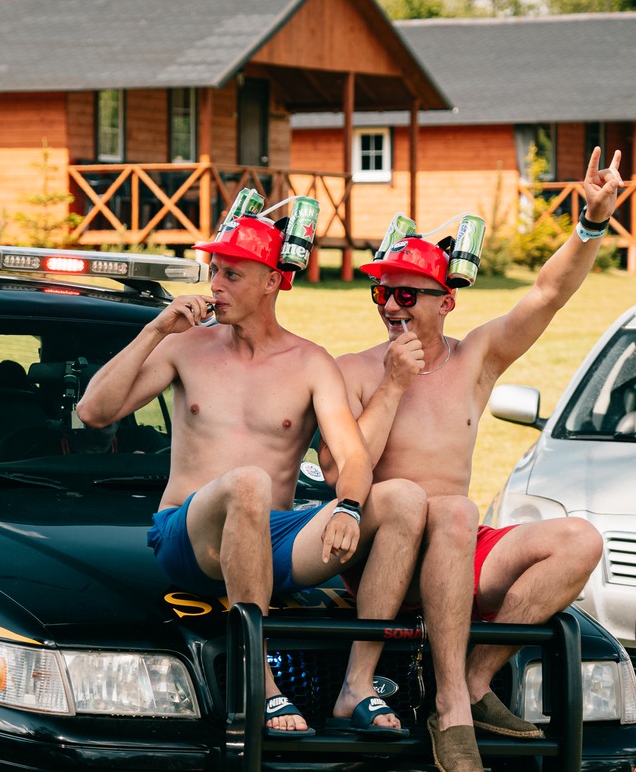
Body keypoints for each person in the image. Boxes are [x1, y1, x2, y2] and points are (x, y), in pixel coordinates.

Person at [328, 149, 624, 772]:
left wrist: (591, 224)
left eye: (407, 294)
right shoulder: (354, 369)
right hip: (384, 551)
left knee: (579, 540)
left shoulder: (475, 360)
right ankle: (451, 709)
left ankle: (472, 679)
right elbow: (337, 473)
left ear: (446, 303)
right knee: (451, 509)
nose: (391, 306)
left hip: (458, 549)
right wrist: (393, 384)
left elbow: (547, 294)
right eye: (382, 292)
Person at [75, 211, 430, 742]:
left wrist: (351, 508)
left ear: (272, 282)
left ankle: (357, 686)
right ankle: (260, 684)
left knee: (403, 497)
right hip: (188, 536)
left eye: (232, 274)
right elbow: (93, 412)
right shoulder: (184, 346)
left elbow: (353, 458)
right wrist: (155, 329)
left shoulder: (310, 362)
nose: (215, 285)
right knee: (249, 482)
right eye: (214, 271)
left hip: (272, 539)